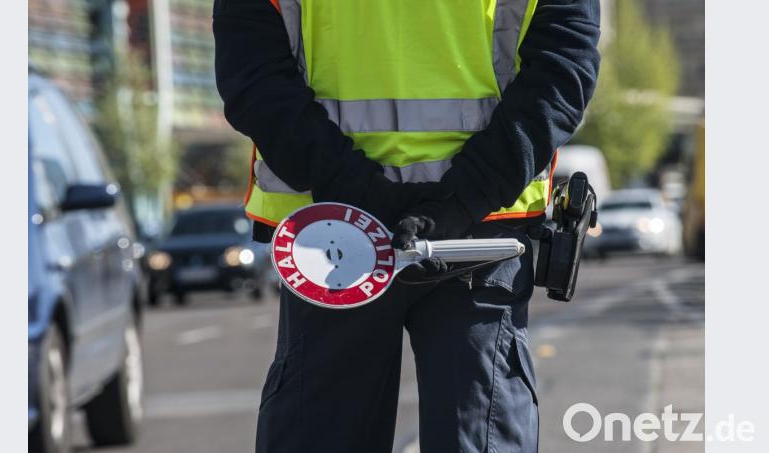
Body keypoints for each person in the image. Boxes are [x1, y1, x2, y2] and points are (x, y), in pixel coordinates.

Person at [214, 0, 600, 451]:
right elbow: (564, 61)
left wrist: (357, 189)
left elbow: (253, 68)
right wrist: (463, 197)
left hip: (335, 236)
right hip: (474, 234)